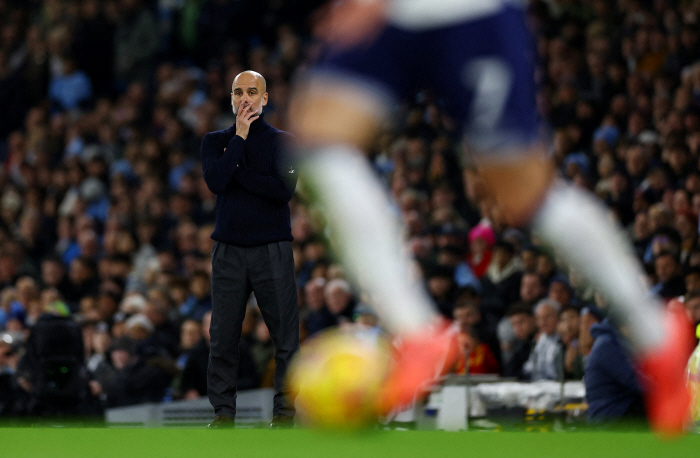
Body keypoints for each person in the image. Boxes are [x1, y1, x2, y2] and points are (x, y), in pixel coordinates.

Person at [288, 0, 693, 433]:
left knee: (524, 194)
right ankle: (418, 332)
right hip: (402, 15)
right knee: (318, 142)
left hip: (467, 13)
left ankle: (656, 336)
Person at [200, 70, 299, 429]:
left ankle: (284, 416)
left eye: (252, 92)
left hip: (271, 248)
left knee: (285, 337)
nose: (245, 98)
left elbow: (282, 191)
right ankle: (223, 415)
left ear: (265, 98)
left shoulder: (283, 141)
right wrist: (239, 139)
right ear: (230, 99)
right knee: (222, 338)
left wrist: (237, 172)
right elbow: (215, 182)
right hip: (228, 250)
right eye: (238, 92)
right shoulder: (214, 141)